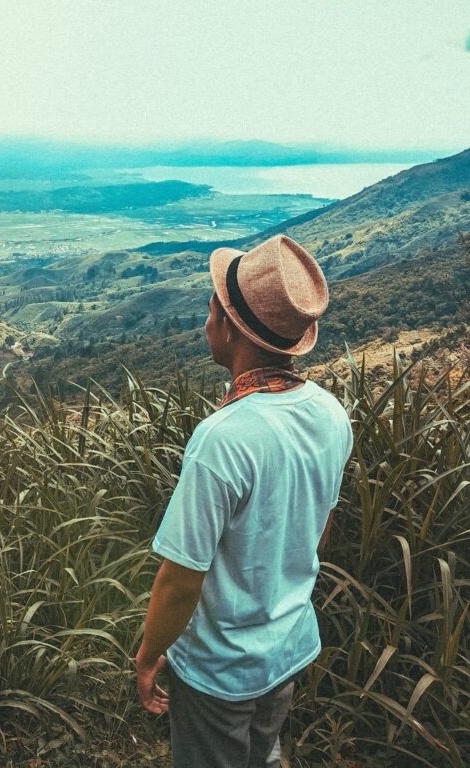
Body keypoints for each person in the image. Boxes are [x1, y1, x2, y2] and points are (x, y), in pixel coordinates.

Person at [134, 234, 354, 767]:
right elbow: (318, 527)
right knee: (263, 750)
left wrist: (146, 655)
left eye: (212, 310)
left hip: (220, 668)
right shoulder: (330, 414)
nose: (206, 319)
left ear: (229, 329)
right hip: (288, 645)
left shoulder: (223, 437)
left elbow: (182, 576)